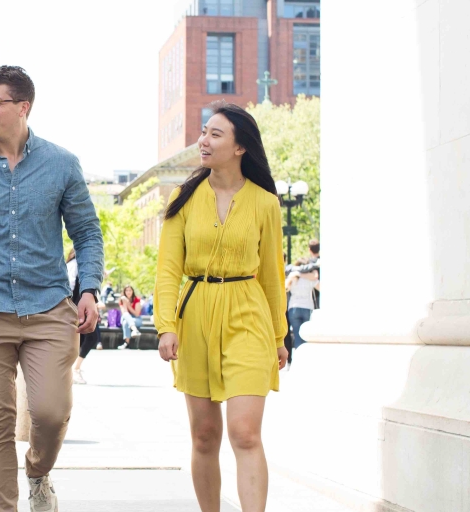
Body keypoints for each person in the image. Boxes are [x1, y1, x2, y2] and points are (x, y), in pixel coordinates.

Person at [0, 65, 104, 512]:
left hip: (49, 308)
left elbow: (87, 233)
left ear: (23, 106)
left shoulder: (62, 164)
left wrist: (89, 289)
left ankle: (38, 472)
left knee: (50, 412)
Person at [155, 101, 289, 512]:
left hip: (248, 315)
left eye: (215, 134)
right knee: (204, 436)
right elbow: (167, 270)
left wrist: (279, 336)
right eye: (204, 132)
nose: (204, 140)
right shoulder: (183, 198)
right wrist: (166, 326)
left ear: (240, 147)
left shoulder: (265, 203)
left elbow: (272, 275)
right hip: (195, 315)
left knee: (245, 433)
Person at [67, 249, 100, 386]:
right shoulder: (74, 265)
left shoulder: (78, 266)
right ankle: (75, 369)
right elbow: (70, 286)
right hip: (77, 307)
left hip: (80, 307)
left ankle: (74, 369)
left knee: (84, 338)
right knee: (89, 337)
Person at [285, 259, 319, 349]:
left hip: (294, 308)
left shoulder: (293, 278)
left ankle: (298, 354)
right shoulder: (310, 279)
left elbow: (285, 287)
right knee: (307, 336)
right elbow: (320, 287)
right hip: (307, 307)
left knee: (297, 335)